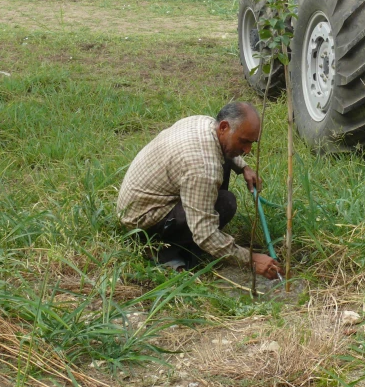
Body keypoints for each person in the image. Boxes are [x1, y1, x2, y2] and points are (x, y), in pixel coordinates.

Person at [117, 101, 281, 279]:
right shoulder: (203, 168)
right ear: (224, 127)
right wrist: (252, 259)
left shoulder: (205, 123)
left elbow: (224, 149)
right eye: (243, 142)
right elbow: (205, 234)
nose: (248, 150)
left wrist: (244, 167)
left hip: (135, 199)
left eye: (251, 143)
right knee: (226, 203)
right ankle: (162, 248)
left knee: (223, 164)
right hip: (142, 221)